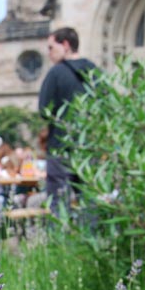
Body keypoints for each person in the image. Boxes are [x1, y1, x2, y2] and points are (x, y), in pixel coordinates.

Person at [38, 27, 97, 214]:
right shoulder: (94, 72)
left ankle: (59, 243)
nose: (48, 54)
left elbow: (44, 111)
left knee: (59, 205)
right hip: (88, 147)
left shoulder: (56, 73)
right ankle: (91, 241)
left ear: (65, 45)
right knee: (90, 203)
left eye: (50, 48)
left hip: (60, 147)